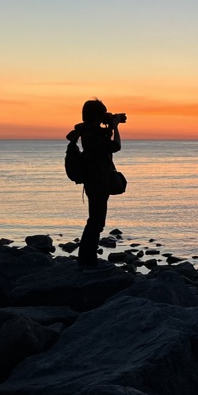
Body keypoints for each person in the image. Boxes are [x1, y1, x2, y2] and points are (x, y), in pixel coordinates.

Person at [67, 98, 124, 271]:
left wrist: (109, 127)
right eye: (103, 115)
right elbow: (115, 146)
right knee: (96, 222)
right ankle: (87, 259)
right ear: (97, 116)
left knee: (95, 221)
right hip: (97, 183)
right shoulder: (91, 135)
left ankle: (87, 257)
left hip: (96, 181)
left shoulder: (90, 132)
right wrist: (115, 127)